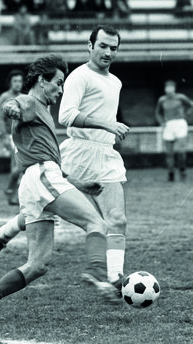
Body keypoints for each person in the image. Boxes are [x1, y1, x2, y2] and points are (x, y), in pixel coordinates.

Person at [0, 54, 120, 321]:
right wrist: (11, 109)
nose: (61, 91)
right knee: (98, 224)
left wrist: (79, 183)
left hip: (37, 180)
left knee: (38, 266)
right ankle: (97, 272)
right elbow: (14, 104)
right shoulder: (31, 102)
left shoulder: (42, 111)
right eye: (58, 83)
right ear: (41, 80)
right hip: (41, 178)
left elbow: (49, 162)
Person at [58, 25, 130, 284]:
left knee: (117, 219)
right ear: (90, 46)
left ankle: (114, 279)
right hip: (77, 154)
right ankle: (4, 234)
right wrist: (107, 124)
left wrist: (109, 130)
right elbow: (65, 116)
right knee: (40, 210)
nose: (108, 52)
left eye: (113, 48)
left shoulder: (116, 82)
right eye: (102, 46)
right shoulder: (79, 76)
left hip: (106, 155)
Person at [155, 80, 193, 182]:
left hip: (180, 124)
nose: (169, 89)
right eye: (167, 87)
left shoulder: (181, 97)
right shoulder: (162, 100)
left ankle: (182, 170)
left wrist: (186, 115)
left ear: (174, 88)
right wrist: (162, 122)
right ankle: (171, 174)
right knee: (169, 153)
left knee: (181, 151)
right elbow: (157, 113)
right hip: (169, 125)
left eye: (171, 87)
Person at [0, 70, 25, 206]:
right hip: (10, 136)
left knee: (21, 167)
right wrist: (4, 137)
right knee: (17, 167)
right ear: (10, 82)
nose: (18, 84)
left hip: (21, 136)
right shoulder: (4, 97)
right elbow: (0, 118)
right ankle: (10, 191)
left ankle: (14, 195)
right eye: (15, 81)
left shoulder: (23, 97)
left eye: (20, 81)